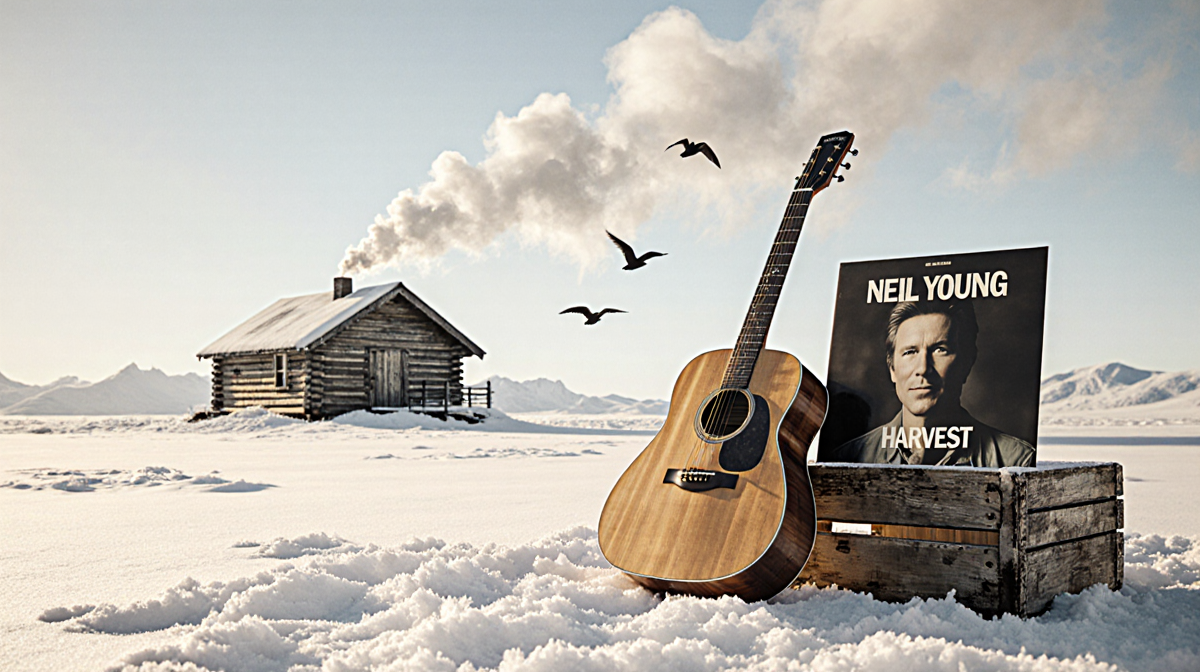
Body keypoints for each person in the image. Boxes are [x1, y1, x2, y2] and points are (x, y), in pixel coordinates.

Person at [831, 300, 1034, 467]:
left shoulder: (1016, 461)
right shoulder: (847, 458)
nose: (923, 368)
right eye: (910, 352)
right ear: (892, 368)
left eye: (940, 349)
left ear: (966, 363)